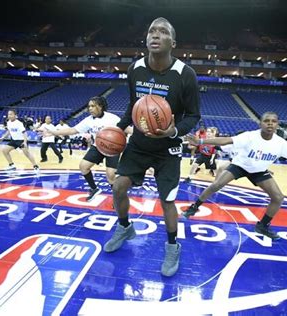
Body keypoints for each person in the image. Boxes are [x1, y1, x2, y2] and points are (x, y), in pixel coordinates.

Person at [102, 17, 201, 277]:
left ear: (173, 42)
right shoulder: (135, 68)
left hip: (168, 148)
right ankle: (124, 227)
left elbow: (193, 115)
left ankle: (172, 246)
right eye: (151, 31)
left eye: (162, 32)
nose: (155, 35)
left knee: (167, 201)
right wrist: (118, 127)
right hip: (139, 144)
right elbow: (133, 107)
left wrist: (175, 130)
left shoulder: (185, 74)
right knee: (118, 186)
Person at [182, 112, 287, 239]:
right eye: (266, 121)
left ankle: (262, 225)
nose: (270, 123)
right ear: (260, 123)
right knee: (217, 184)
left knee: (278, 197)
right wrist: (201, 141)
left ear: (277, 124)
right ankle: (194, 207)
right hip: (240, 166)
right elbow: (226, 140)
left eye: (273, 121)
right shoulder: (250, 136)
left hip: (258, 171)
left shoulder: (280, 143)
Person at [41, 96, 127, 201]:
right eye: (89, 106)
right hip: (98, 146)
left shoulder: (113, 118)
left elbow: (127, 129)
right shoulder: (88, 120)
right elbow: (73, 130)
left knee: (110, 175)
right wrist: (54, 133)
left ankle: (117, 198)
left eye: (92, 106)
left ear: (100, 106)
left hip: (112, 148)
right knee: (83, 166)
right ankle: (94, 189)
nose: (89, 108)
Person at [0, 109, 40, 174]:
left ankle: (35, 166)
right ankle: (11, 165)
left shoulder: (19, 123)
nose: (9, 115)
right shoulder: (8, 122)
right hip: (14, 140)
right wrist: (3, 137)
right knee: (4, 150)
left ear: (15, 115)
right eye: (8, 114)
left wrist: (25, 142)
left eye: (11, 114)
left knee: (27, 154)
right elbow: (9, 131)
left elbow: (24, 133)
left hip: (21, 140)